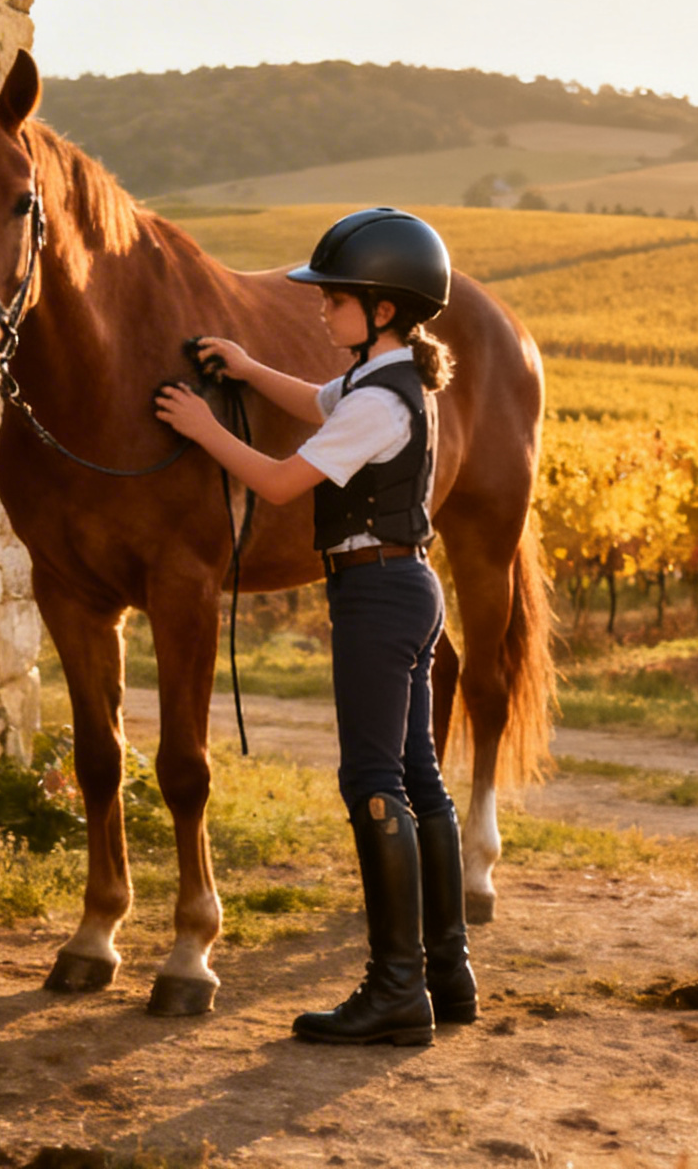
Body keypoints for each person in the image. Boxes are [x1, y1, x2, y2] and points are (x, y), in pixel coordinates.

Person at [152, 206, 475, 1046]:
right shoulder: (383, 381)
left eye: (335, 299)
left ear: (382, 310)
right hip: (403, 585)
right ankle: (447, 972)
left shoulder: (378, 404)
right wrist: (249, 367)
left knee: (371, 784)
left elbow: (283, 481)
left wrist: (204, 426)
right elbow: (311, 398)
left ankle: (395, 989)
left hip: (375, 595)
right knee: (419, 778)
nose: (319, 309)